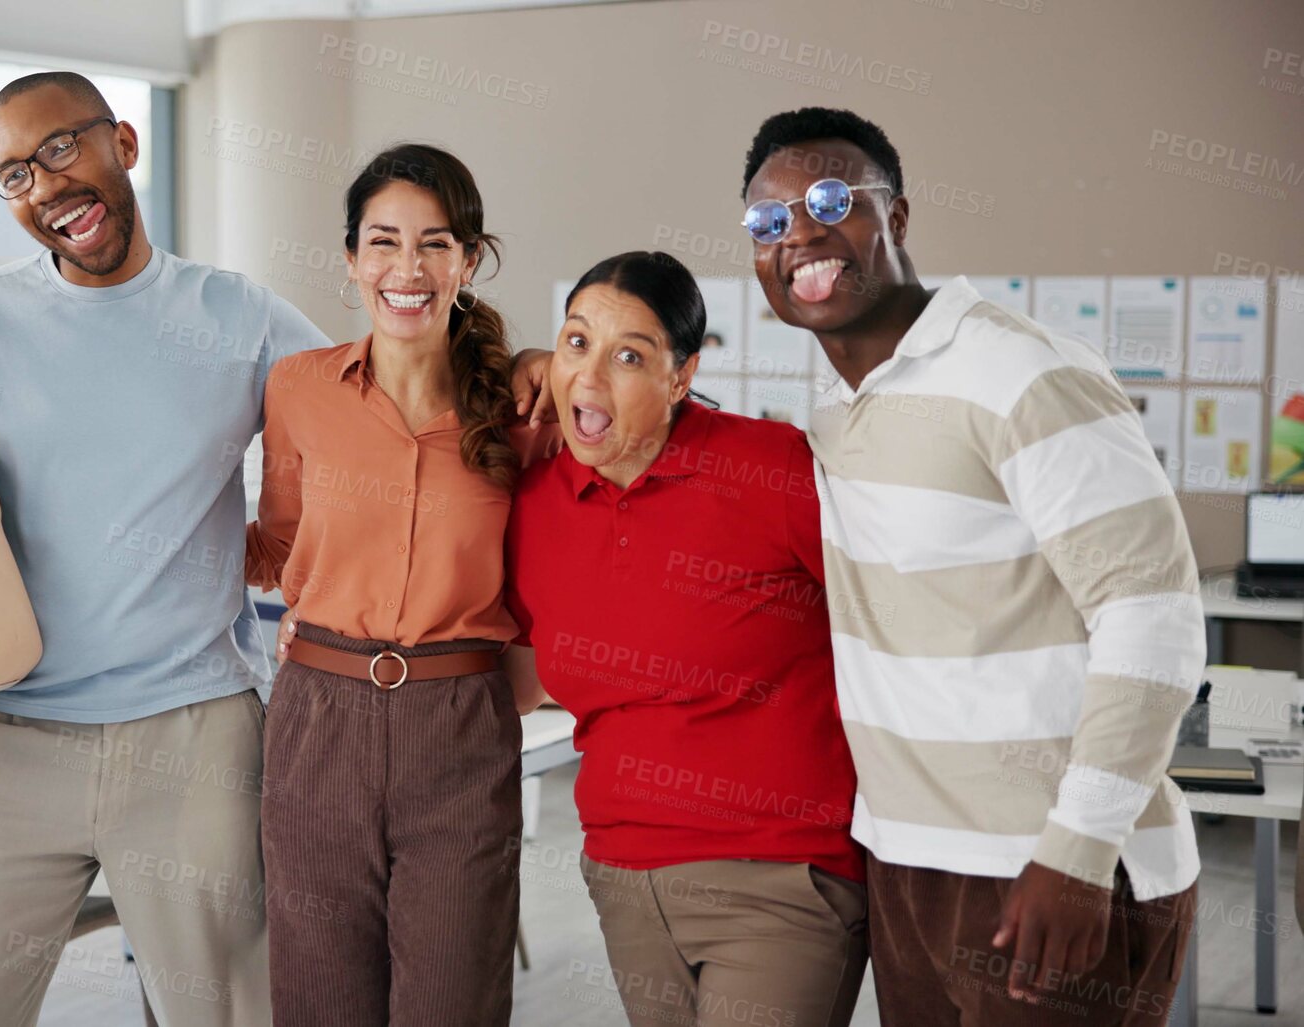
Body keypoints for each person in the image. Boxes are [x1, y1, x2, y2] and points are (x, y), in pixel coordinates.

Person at [0, 76, 553, 1026]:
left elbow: (388, 387)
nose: (45, 186)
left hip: (194, 737)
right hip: (1, 741)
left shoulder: (240, 318)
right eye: (12, 175)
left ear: (123, 143)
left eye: (60, 150)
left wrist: (525, 367)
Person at [742, 106, 1202, 1025]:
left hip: (1048, 866)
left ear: (897, 217)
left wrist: (1075, 850)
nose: (799, 232)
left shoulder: (1019, 372)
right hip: (906, 863)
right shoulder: (833, 408)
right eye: (767, 219)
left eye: (832, 198)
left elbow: (1152, 616)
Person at [503, 250, 866, 1027]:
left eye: (628, 355)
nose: (591, 376)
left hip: (778, 873)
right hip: (623, 880)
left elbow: (897, 621)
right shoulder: (533, 501)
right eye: (575, 343)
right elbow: (517, 682)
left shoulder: (770, 469)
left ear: (680, 374)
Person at [247, 142, 548, 1027]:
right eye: (382, 243)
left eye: (433, 244)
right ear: (350, 261)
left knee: (453, 998)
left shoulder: (521, 408)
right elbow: (278, 544)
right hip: (315, 720)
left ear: (468, 259)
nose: (405, 269)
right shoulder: (299, 387)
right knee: (318, 1000)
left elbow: (549, 570)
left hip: (459, 728)